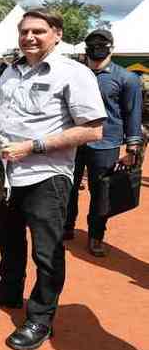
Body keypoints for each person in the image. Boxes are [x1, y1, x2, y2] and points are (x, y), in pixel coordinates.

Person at [0, 8, 106, 350]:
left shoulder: (74, 73)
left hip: (46, 177)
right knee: (8, 238)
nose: (29, 37)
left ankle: (41, 318)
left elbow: (93, 129)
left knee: (47, 252)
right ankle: (10, 290)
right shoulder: (9, 73)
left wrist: (33, 147)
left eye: (38, 31)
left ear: (57, 34)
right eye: (24, 31)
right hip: (7, 175)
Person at [64, 29, 143, 256]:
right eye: (92, 45)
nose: (97, 48)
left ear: (111, 47)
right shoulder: (76, 74)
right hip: (73, 141)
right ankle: (66, 227)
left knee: (101, 193)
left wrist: (132, 147)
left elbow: (132, 113)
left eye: (102, 44)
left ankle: (96, 235)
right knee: (67, 187)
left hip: (106, 144)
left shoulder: (127, 78)